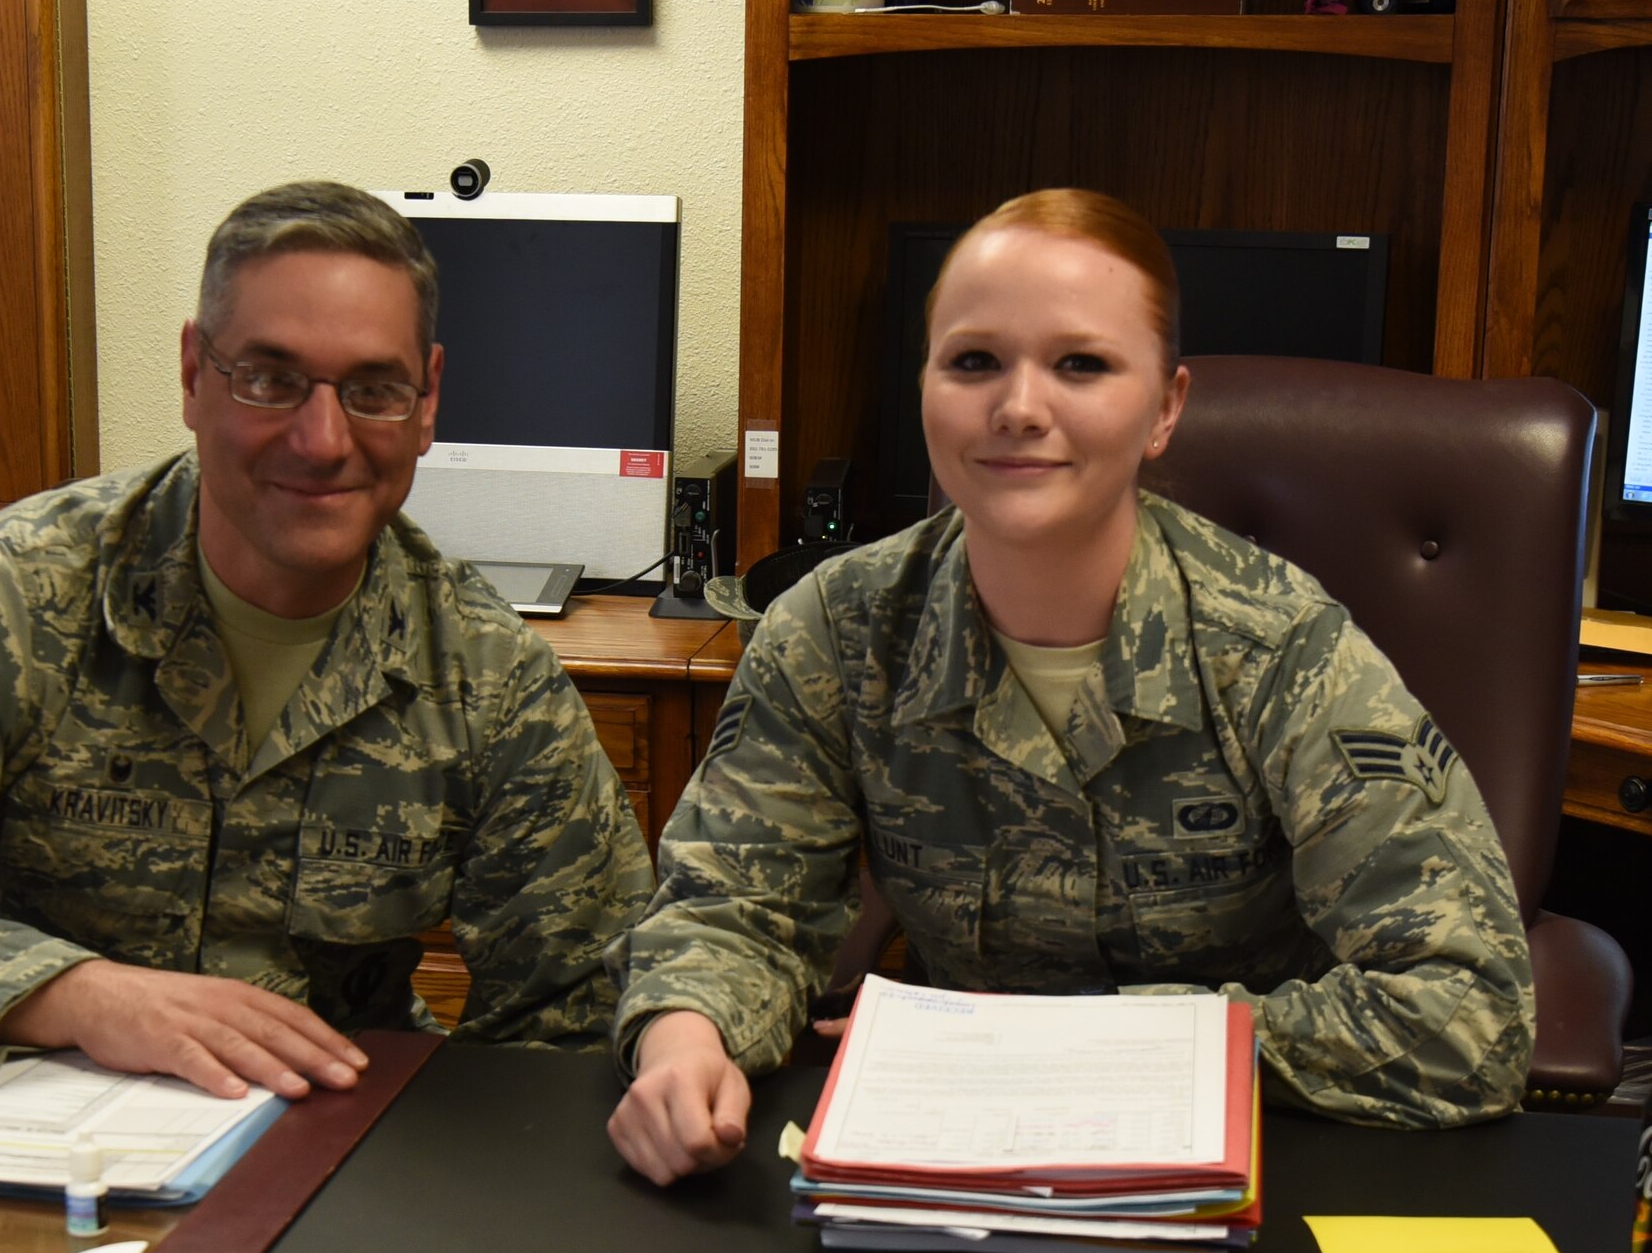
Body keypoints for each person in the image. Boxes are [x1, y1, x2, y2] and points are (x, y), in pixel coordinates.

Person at [605, 188, 1534, 1186]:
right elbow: (728, 908)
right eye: (972, 362)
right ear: (921, 385)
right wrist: (683, 1038)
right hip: (949, 1164)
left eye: (1079, 365)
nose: (1017, 407)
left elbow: (1466, 1012)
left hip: (1251, 1158)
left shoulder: (1276, 650)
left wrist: (1107, 1043)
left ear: (1164, 407)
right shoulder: (836, 630)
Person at [0, 181, 653, 1101]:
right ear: (194, 374)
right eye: (270, 379)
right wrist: (70, 996)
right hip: (15, 1136)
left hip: (321, 1158)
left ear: (428, 401)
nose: (321, 439)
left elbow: (583, 1009)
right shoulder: (9, 605)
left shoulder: (486, 678)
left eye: (372, 389)